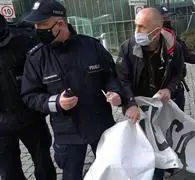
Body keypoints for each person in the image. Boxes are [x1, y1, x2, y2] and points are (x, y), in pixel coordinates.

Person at [20, 0, 124, 179]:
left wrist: (115, 91)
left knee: (111, 173)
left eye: (42, 24)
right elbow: (30, 95)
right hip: (66, 134)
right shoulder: (36, 58)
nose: (37, 29)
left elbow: (111, 75)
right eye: (36, 25)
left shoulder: (91, 46)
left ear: (60, 23)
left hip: (100, 126)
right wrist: (56, 102)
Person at [115, 8, 184, 180]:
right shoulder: (128, 47)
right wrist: (130, 104)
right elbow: (122, 80)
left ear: (156, 30)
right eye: (135, 26)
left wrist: (169, 88)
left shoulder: (174, 46)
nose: (136, 32)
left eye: (141, 27)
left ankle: (167, 164)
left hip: (165, 104)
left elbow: (179, 72)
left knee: (166, 139)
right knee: (147, 146)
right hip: (140, 108)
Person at [0, 14, 56, 180]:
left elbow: (46, 71)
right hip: (1, 125)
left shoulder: (25, 38)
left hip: (31, 116)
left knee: (43, 166)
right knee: (9, 172)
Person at [156, 6, 195, 111]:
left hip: (171, 85)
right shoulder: (166, 38)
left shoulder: (170, 35)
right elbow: (187, 56)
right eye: (165, 18)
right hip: (169, 88)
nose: (169, 20)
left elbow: (185, 54)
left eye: (168, 17)